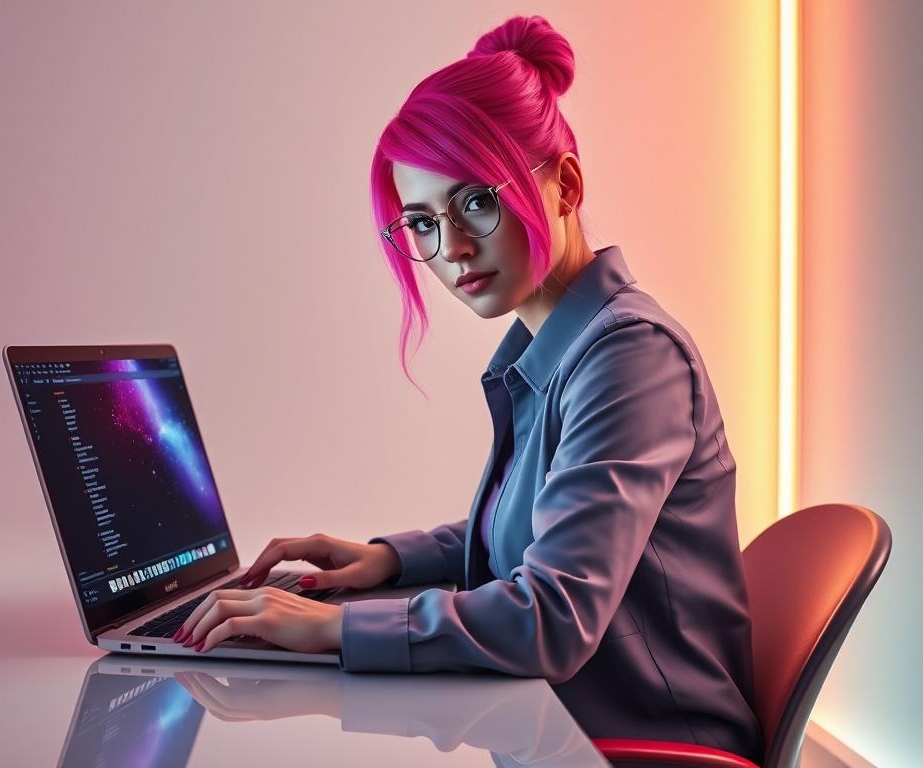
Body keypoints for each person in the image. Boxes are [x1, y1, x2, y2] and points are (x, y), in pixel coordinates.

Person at [173, 14, 764, 764]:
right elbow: (537, 530)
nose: (449, 249)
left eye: (475, 203)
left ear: (566, 186)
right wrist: (389, 559)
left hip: (641, 749)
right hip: (564, 731)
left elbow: (552, 616)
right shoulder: (559, 349)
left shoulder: (630, 358)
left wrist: (333, 627)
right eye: (421, 221)